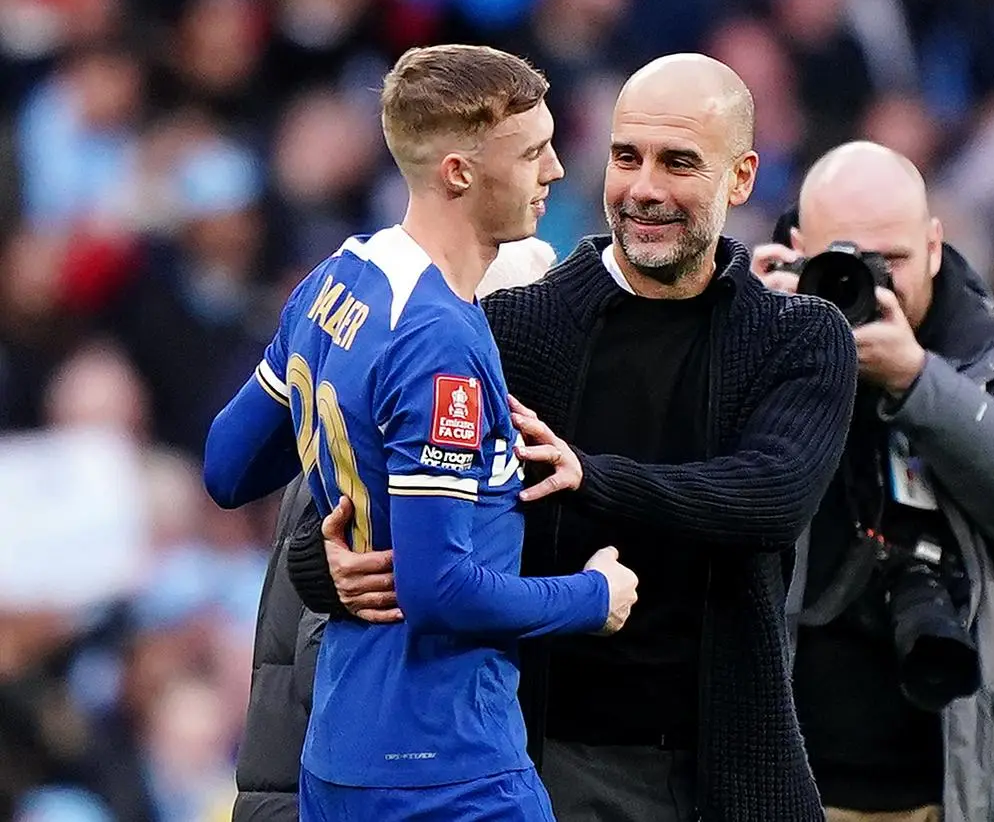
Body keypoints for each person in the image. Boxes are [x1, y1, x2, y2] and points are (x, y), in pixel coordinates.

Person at [293, 52, 858, 822]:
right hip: (535, 764)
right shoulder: (513, 325)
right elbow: (360, 492)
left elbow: (770, 496)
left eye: (679, 162)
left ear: (742, 177)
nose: (645, 188)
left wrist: (592, 476)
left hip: (724, 771)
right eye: (628, 157)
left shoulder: (798, 336)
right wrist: (318, 562)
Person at [202, 44, 639, 822]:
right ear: (460, 173)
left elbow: (228, 466)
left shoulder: (340, 276)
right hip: (447, 769)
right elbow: (440, 591)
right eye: (533, 152)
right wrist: (593, 596)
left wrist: (335, 537)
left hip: (337, 754)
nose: (556, 173)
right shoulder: (439, 339)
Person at [758, 141, 994, 822]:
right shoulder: (760, 338)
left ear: (936, 246)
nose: (875, 284)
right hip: (786, 784)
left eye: (895, 260)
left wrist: (917, 381)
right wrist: (749, 338)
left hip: (951, 788)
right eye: (847, 261)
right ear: (796, 247)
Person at [228, 237, 563, 822]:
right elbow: (354, 612)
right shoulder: (402, 419)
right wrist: (592, 595)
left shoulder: (369, 394)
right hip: (380, 775)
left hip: (344, 775)